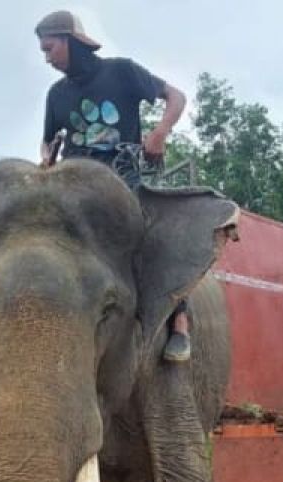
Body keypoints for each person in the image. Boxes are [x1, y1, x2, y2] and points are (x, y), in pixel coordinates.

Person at [34, 11, 193, 363]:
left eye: (50, 49)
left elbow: (176, 97)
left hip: (123, 179)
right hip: (76, 187)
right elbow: (46, 143)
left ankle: (179, 322)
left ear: (70, 41)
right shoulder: (56, 95)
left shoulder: (121, 72)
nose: (47, 58)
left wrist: (159, 133)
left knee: (152, 237)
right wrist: (47, 159)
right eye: (43, 52)